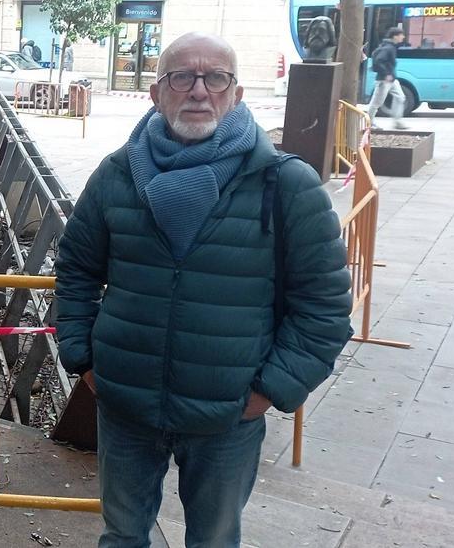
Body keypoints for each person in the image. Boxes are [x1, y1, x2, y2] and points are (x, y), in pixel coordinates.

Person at [53, 32, 353, 548]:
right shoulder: (117, 175)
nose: (198, 90)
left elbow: (324, 307)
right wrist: (84, 361)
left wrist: (270, 391)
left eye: (215, 77)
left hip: (228, 415)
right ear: (156, 93)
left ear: (236, 93)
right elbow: (76, 269)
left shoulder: (285, 184)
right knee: (122, 535)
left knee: (213, 541)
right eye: (181, 77)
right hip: (126, 405)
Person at [368, 27, 409, 130]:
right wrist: (386, 74)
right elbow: (379, 61)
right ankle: (369, 123)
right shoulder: (388, 48)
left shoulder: (389, 46)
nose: (403, 37)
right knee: (376, 103)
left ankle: (397, 122)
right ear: (395, 36)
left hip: (391, 79)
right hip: (384, 79)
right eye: (401, 35)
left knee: (400, 97)